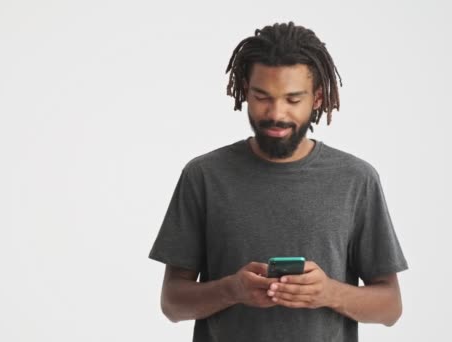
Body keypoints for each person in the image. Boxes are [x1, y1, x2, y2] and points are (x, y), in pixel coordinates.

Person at [148, 22, 408, 342]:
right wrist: (233, 290)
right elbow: (172, 303)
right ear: (245, 91)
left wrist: (327, 293)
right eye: (262, 97)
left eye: (292, 99)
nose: (276, 113)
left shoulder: (356, 179)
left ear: (317, 98)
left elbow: (390, 307)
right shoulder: (203, 176)